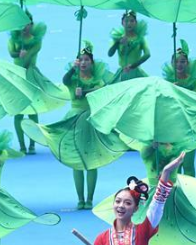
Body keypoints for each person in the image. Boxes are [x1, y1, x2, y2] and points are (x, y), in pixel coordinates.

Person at [22, 42, 127, 210]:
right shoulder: (73, 79)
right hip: (74, 120)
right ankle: (80, 198)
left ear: (92, 63)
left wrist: (84, 92)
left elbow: (100, 91)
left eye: (86, 60)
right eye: (81, 60)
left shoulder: (97, 80)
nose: (83, 62)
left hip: (90, 121)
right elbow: (65, 80)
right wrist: (72, 69)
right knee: (77, 160)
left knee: (91, 160)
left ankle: (90, 199)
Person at [9, 11, 54, 154]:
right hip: (17, 77)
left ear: (31, 24)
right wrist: (18, 54)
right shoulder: (14, 39)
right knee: (19, 112)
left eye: (27, 24)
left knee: (33, 110)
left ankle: (32, 144)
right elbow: (11, 53)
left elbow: (29, 58)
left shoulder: (36, 40)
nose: (24, 27)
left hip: (31, 76)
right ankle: (22, 145)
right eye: (21, 24)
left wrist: (24, 55)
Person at [162, 40, 196, 177]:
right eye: (176, 61)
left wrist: (179, 91)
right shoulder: (167, 82)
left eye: (183, 61)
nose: (179, 64)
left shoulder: (194, 82)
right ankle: (175, 188)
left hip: (189, 127)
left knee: (188, 164)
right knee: (174, 164)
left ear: (187, 63)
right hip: (173, 127)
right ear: (172, 63)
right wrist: (170, 90)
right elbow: (164, 103)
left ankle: (190, 188)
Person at [108, 10, 150, 83]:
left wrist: (133, 66)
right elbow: (110, 54)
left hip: (136, 73)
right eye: (126, 21)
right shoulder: (117, 38)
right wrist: (118, 42)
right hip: (122, 73)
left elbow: (147, 54)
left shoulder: (140, 38)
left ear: (136, 23)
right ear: (122, 23)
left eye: (132, 21)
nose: (129, 23)